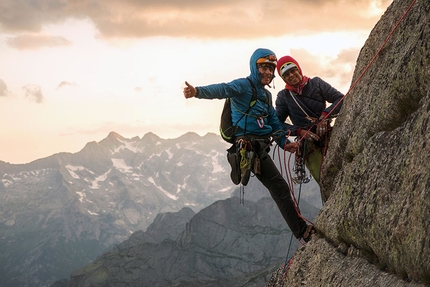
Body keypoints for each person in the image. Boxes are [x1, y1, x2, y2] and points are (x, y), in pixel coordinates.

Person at [183, 48, 315, 242]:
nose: (268, 73)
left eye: (271, 70)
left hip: (259, 146)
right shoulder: (243, 86)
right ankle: (302, 231)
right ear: (254, 67)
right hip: (249, 146)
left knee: (278, 187)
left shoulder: (266, 96)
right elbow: (223, 89)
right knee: (279, 187)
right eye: (263, 68)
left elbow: (273, 123)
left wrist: (284, 143)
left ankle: (301, 230)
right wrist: (197, 92)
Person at [275, 55, 344, 186]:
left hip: (328, 134)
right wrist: (300, 131)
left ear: (299, 69)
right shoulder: (283, 97)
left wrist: (325, 115)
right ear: (283, 78)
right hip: (308, 144)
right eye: (286, 74)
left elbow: (340, 98)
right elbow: (277, 123)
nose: (291, 75)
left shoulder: (316, 84)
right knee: (325, 180)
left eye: (293, 70)